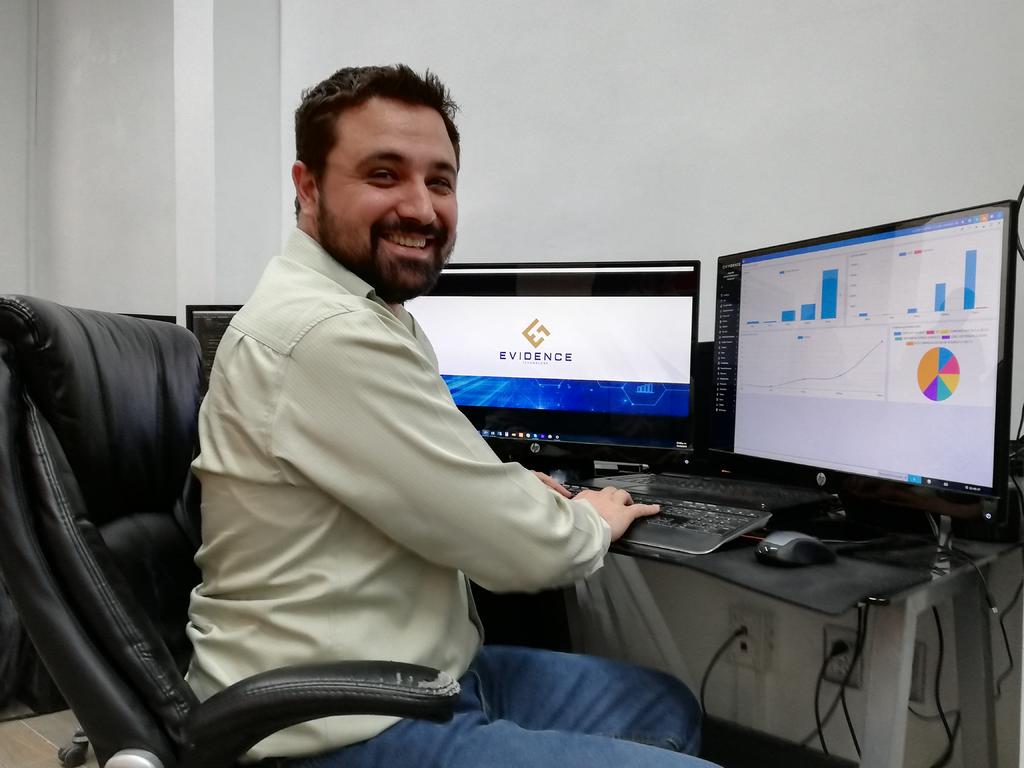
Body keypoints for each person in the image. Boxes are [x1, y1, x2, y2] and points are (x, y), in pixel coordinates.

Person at [185, 64, 718, 768]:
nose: (422, 208)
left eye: (440, 181)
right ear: (307, 187)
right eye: (383, 175)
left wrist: (510, 489)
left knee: (662, 706)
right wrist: (592, 517)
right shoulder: (323, 332)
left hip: (421, 676)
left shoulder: (370, 312)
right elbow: (522, 550)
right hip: (334, 721)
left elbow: (431, 476)